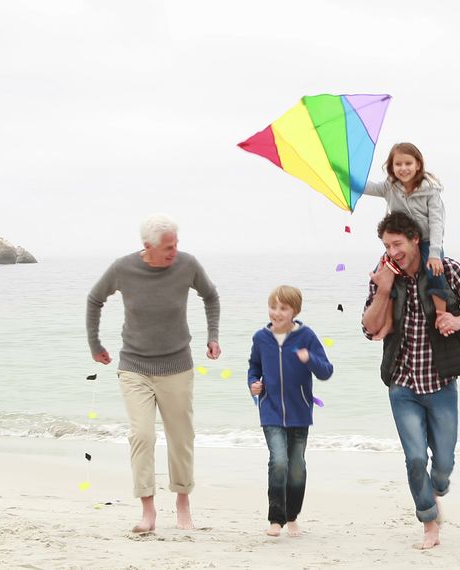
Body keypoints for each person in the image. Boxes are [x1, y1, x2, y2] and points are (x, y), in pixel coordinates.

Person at [360, 211, 460, 550]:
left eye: (397, 244)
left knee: (443, 465)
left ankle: (438, 489)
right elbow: (368, 328)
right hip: (402, 384)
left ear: (415, 239)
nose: (392, 252)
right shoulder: (384, 276)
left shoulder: (447, 269)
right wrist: (382, 289)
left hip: (441, 382)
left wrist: (457, 321)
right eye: (387, 246)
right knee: (415, 459)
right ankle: (429, 523)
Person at [86, 214, 221, 533]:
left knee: (181, 438)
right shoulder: (123, 269)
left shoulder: (187, 265)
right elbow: (95, 299)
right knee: (142, 436)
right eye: (168, 247)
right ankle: (148, 510)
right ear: (148, 247)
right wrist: (95, 344)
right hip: (134, 366)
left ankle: (183, 505)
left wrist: (212, 336)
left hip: (177, 366)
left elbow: (210, 296)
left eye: (176, 245)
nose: (174, 251)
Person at [247, 285, 334, 538]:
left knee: (296, 467)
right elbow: (254, 368)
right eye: (273, 307)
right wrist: (253, 384)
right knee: (279, 462)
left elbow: (326, 371)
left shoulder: (306, 337)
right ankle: (276, 519)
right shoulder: (260, 338)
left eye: (283, 308)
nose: (276, 312)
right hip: (270, 411)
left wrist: (310, 359)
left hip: (300, 412)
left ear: (295, 310)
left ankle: (292, 517)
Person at [363, 142, 449, 324]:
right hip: (402, 243)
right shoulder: (389, 188)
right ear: (391, 167)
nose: (403, 168)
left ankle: (441, 314)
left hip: (426, 240)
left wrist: (434, 254)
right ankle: (387, 322)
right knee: (382, 276)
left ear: (418, 164)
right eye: (398, 164)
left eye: (408, 163)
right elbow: (366, 187)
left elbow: (436, 222)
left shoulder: (430, 190)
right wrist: (342, 175)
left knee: (434, 272)